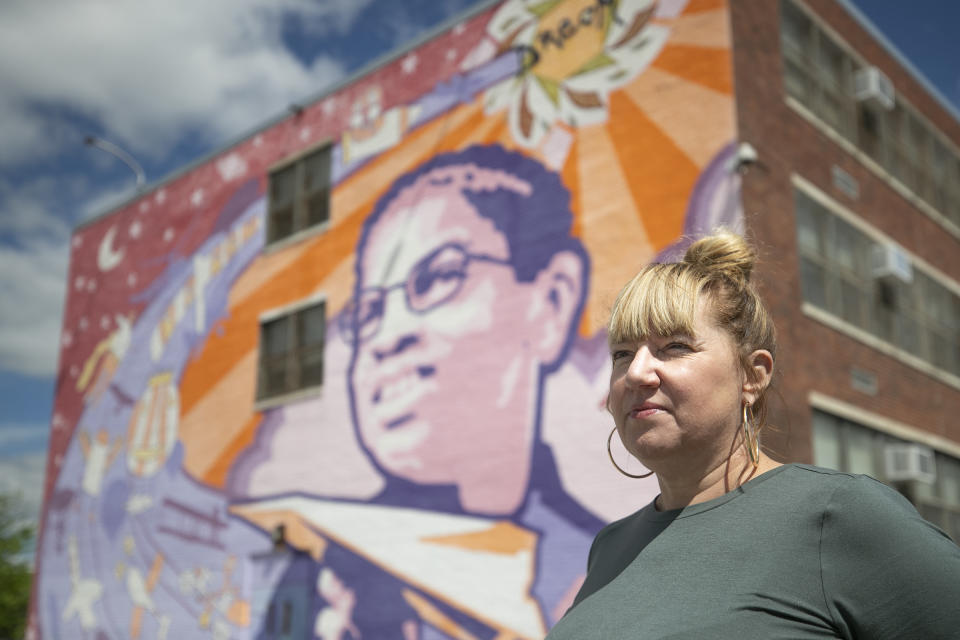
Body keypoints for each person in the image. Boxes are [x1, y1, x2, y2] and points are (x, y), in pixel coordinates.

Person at [547, 230, 960, 639]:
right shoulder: (610, 546)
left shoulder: (839, 516)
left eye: (673, 347)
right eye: (622, 353)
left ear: (752, 375)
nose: (636, 372)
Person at [335, 144, 605, 636]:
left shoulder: (607, 574)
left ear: (551, 301)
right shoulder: (327, 567)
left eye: (439, 277)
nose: (385, 336)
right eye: (369, 312)